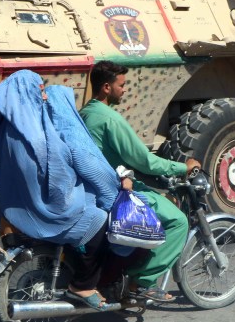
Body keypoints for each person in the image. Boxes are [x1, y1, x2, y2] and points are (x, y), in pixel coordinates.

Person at [0, 70, 132, 310]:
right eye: (40, 91)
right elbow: (60, 182)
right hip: (49, 210)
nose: (44, 98)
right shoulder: (37, 137)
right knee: (99, 219)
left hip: (19, 205)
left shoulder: (4, 132)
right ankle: (83, 285)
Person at [79, 60, 201, 303]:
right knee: (178, 221)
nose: (124, 90)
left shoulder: (86, 113)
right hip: (115, 189)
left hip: (95, 185)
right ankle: (142, 282)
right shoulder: (109, 119)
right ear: (106, 87)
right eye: (121, 85)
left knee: (161, 200)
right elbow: (144, 161)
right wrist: (182, 167)